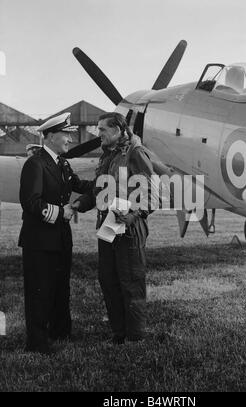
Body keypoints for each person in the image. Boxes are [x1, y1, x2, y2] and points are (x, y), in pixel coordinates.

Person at [72, 112, 157, 344]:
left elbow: (152, 195)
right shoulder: (107, 155)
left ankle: (136, 337)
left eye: (102, 129)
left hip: (130, 229)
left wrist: (132, 216)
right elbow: (99, 190)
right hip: (107, 227)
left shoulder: (136, 153)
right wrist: (78, 204)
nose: (97, 133)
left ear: (118, 131)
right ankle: (119, 333)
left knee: (131, 281)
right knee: (108, 280)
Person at [19, 112, 91, 355]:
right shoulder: (35, 164)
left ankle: (60, 332)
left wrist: (109, 181)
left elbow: (80, 186)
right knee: (40, 290)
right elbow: (31, 202)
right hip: (39, 240)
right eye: (65, 135)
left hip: (60, 238)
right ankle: (37, 343)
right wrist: (62, 213)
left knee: (61, 287)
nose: (69, 140)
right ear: (49, 136)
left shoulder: (62, 164)